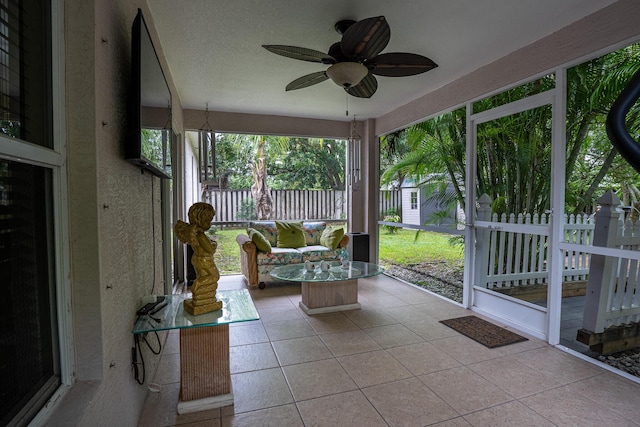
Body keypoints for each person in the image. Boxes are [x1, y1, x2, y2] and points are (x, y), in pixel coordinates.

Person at [175, 202, 223, 314]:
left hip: (196, 259)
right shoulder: (200, 235)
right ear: (200, 221)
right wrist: (214, 244)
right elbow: (210, 249)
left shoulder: (194, 233)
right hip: (205, 260)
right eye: (208, 221)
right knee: (215, 276)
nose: (210, 224)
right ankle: (198, 283)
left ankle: (200, 299)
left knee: (205, 277)